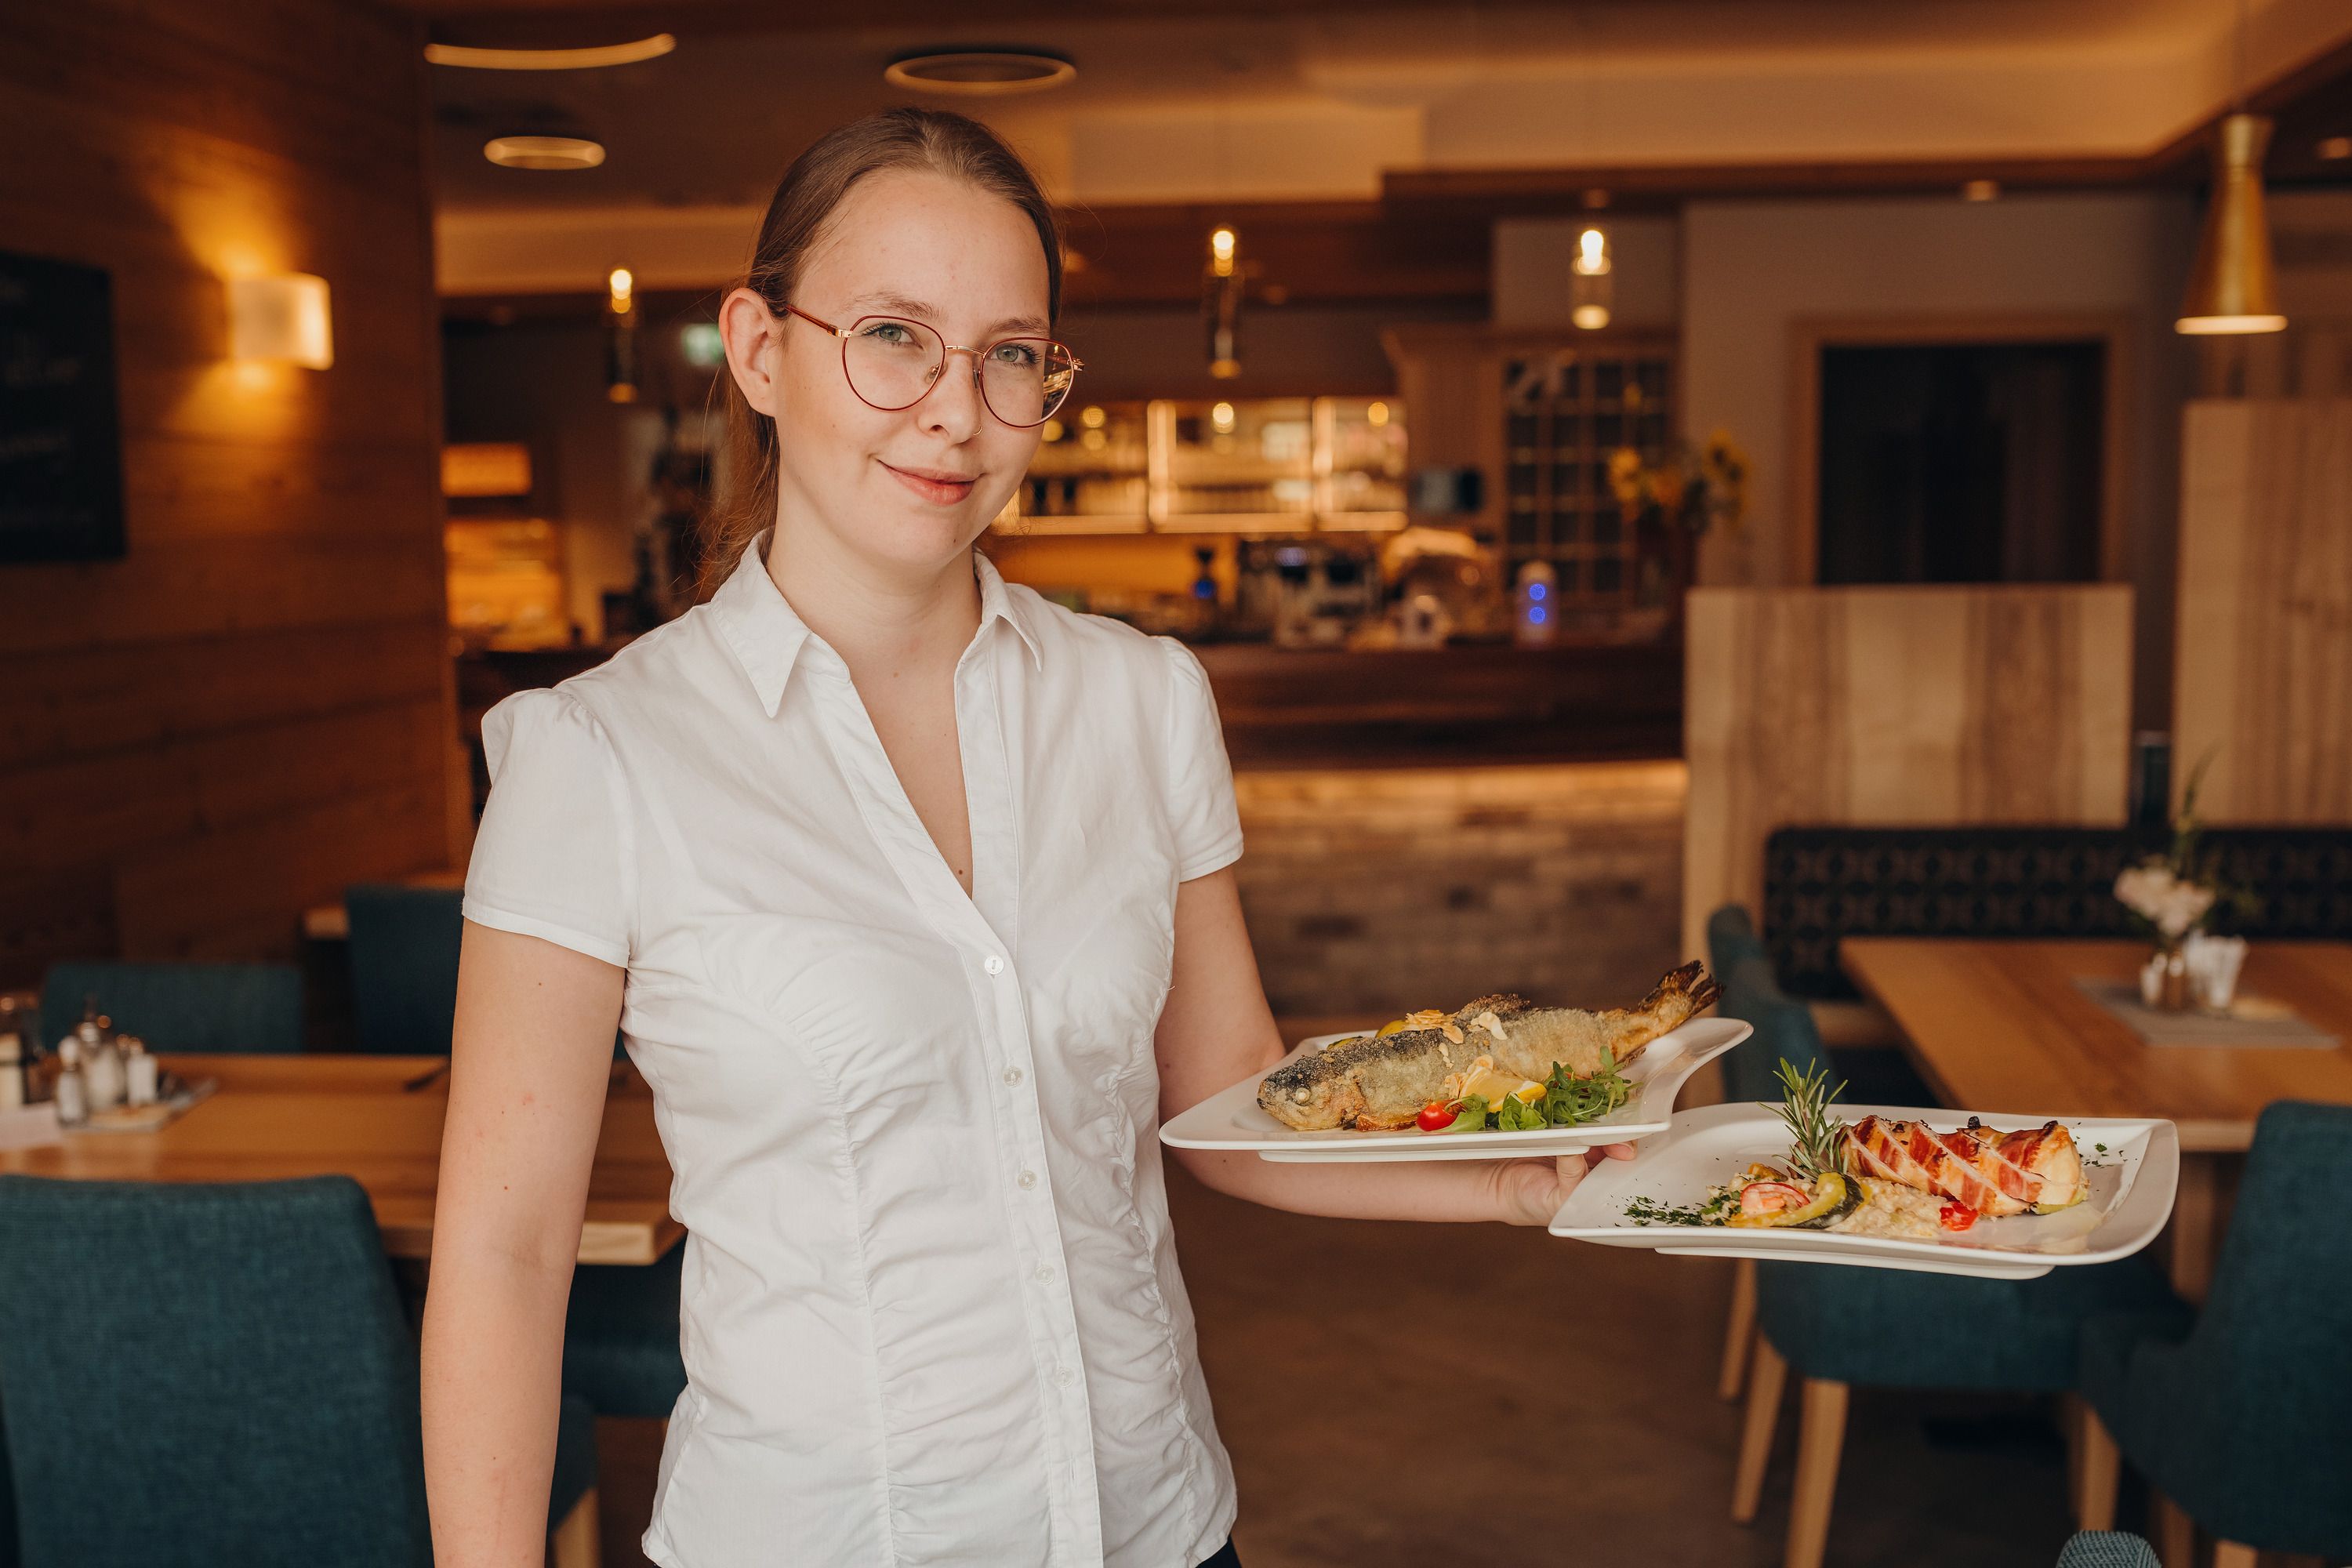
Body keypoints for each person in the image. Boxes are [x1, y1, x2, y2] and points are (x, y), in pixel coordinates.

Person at [420, 107, 1630, 1568]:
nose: (956, 412)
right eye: (893, 337)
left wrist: (1510, 1179)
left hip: (1160, 1529)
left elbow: (1230, 1098)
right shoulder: (598, 755)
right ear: (759, 351)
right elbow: (503, 1256)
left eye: (1009, 355)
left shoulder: (1142, 701)